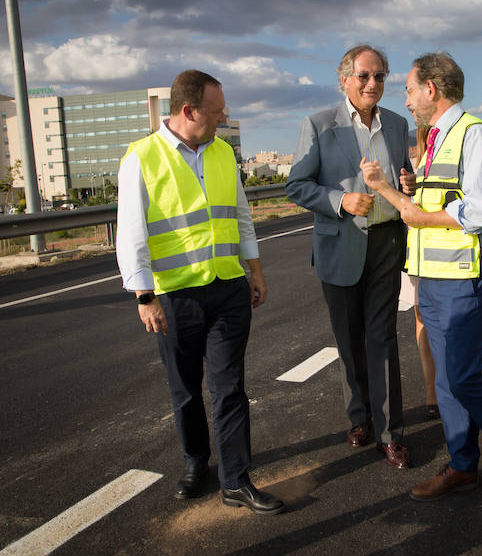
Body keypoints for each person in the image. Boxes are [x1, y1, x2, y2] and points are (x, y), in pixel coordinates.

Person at [360, 52, 482, 504]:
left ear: (431, 89)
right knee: (445, 381)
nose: (407, 96)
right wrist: (399, 191)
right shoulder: (438, 137)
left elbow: (478, 210)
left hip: (463, 277)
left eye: (410, 88)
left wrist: (420, 213)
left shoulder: (472, 134)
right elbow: (439, 202)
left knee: (462, 376)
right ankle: (462, 464)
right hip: (432, 278)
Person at [116, 69, 284, 515]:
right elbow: (130, 232)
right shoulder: (142, 157)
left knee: (230, 388)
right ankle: (196, 462)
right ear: (189, 111)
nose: (223, 117)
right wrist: (143, 295)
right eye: (216, 111)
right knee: (185, 389)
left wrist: (256, 271)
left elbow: (241, 215)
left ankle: (236, 480)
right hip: (175, 297)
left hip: (228, 288)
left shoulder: (223, 153)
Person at [286, 45, 414, 469]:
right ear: (345, 80)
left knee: (382, 339)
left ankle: (389, 433)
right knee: (349, 341)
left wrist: (406, 183)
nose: (372, 84)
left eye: (379, 76)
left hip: (385, 243)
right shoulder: (319, 125)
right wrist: (341, 200)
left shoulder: (396, 124)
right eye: (364, 76)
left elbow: (399, 175)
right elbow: (297, 186)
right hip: (339, 244)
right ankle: (359, 416)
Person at [399, 125, 438, 420]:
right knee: (422, 319)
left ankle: (448, 384)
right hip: (417, 257)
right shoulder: (410, 171)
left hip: (450, 256)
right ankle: (430, 390)